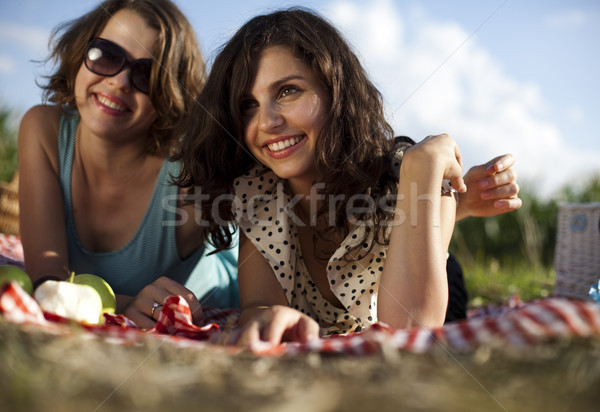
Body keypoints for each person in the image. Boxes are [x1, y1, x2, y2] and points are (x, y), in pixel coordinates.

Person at [177, 8, 521, 345]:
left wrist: (424, 165)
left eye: (287, 91)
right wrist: (271, 318)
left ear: (335, 91)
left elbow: (409, 329)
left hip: (435, 280)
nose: (266, 122)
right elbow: (258, 307)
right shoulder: (256, 192)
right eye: (247, 105)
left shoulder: (421, 177)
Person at [17, 0, 238, 329]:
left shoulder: (189, 172)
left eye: (146, 75)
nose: (119, 81)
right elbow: (49, 282)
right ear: (81, 53)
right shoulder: (43, 129)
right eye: (106, 55)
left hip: (219, 301)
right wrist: (127, 304)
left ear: (169, 96)